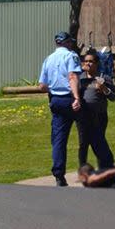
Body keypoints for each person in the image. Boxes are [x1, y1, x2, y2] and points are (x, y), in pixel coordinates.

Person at [39, 31, 82, 187]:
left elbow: (42, 86)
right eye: (70, 42)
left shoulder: (48, 59)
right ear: (67, 43)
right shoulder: (71, 56)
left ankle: (59, 175)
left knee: (58, 139)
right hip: (70, 98)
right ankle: (99, 167)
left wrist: (53, 91)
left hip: (56, 100)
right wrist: (77, 97)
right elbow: (73, 76)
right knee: (88, 133)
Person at [77, 49, 115, 169]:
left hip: (99, 115)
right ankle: (83, 168)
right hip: (83, 116)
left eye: (91, 61)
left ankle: (104, 166)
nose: (87, 63)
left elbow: (113, 97)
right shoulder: (79, 79)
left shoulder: (103, 78)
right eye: (86, 61)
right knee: (83, 143)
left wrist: (104, 89)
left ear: (97, 63)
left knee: (99, 140)